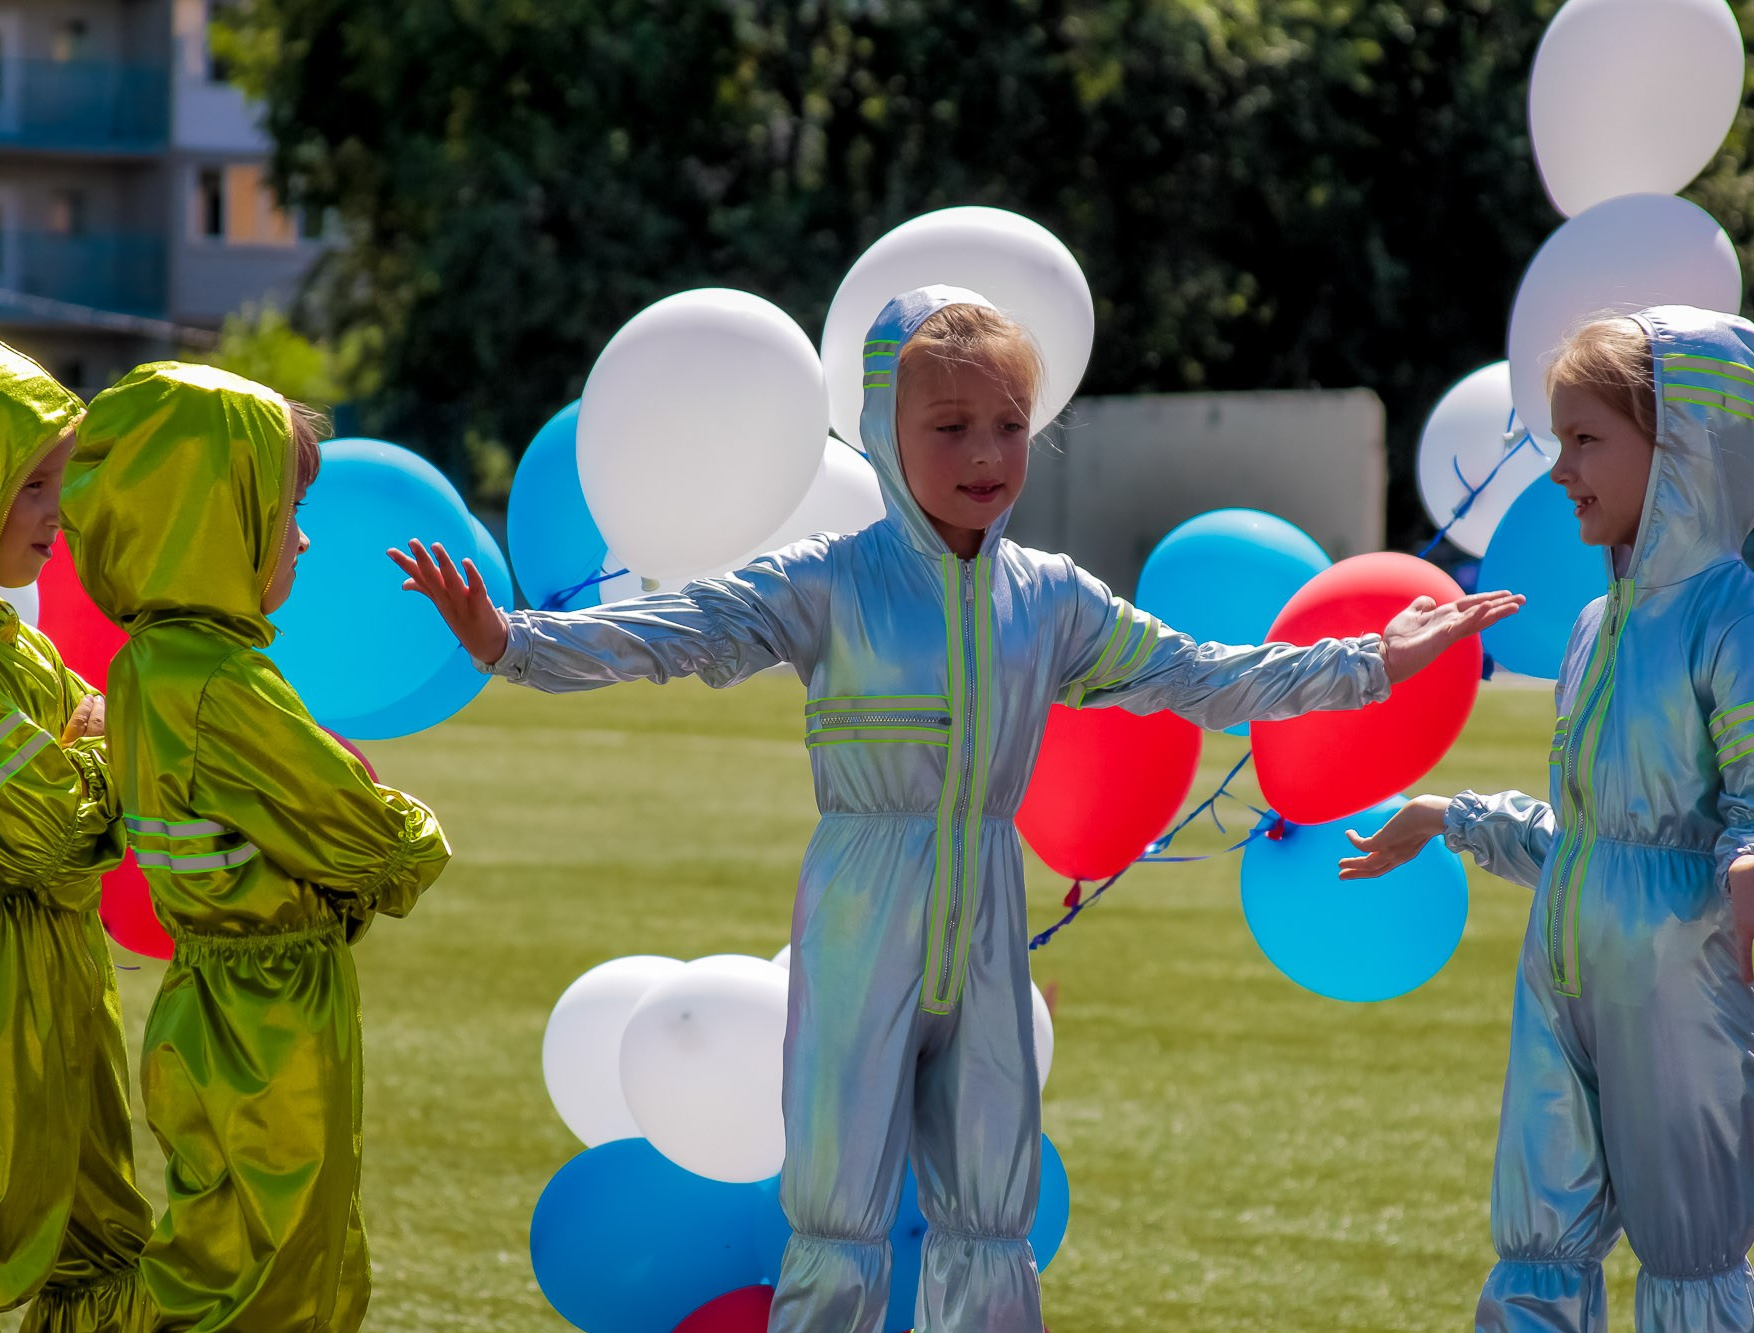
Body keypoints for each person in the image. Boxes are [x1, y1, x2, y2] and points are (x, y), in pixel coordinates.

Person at [393, 286, 1518, 1331]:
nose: (986, 454)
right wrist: (513, 641)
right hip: (859, 909)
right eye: (949, 427)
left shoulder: (1051, 596)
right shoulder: (827, 578)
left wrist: (1370, 658)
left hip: (986, 907)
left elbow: (1203, 675)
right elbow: (676, 629)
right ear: (884, 433)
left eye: (1009, 425)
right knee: (837, 1213)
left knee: (989, 1215)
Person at [1341, 306, 1754, 1332]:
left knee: (1688, 1254)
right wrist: (1451, 815)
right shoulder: (1594, 626)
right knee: (1536, 1243)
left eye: (1584, 440)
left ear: (1679, 446)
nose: (1560, 471)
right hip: (1558, 973)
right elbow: (1590, 844)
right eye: (1558, 441)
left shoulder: (1736, 617)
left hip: (1675, 983)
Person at [59, 363, 453, 1332]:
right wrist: (409, 826)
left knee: (229, 1246)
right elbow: (372, 841)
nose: (304, 538)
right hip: (269, 1020)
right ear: (210, 517)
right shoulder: (227, 684)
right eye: (285, 510)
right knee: (275, 1275)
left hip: (209, 1000)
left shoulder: (146, 664)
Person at [0, 324, 154, 1332]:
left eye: (60, 480)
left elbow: (73, 770)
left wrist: (86, 753)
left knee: (100, 1247)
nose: (59, 512)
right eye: (30, 485)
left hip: (53, 982)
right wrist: (107, 753)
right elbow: (52, 827)